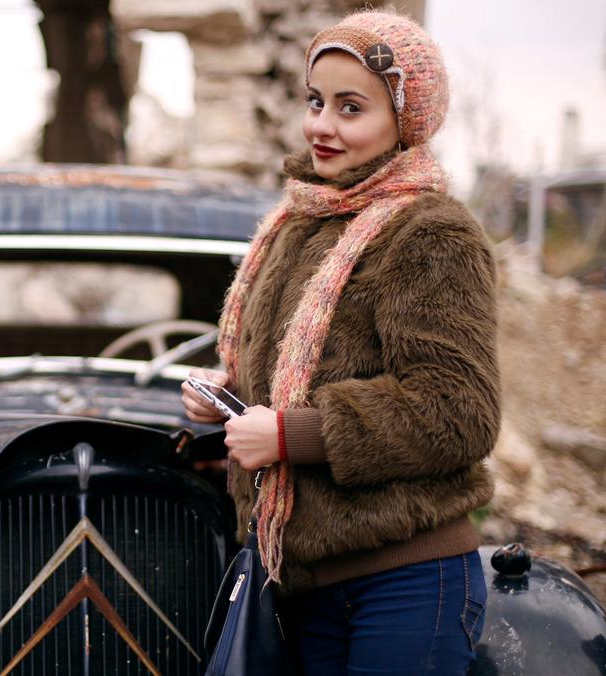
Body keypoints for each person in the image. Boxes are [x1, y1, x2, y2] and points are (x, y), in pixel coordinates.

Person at [182, 10, 497, 675]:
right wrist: (232, 403)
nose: (321, 125)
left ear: (404, 121)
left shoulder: (432, 233)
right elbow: (298, 384)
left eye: (350, 108)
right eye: (315, 101)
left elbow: (458, 411)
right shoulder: (297, 223)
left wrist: (292, 436)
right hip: (305, 583)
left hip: (405, 583)